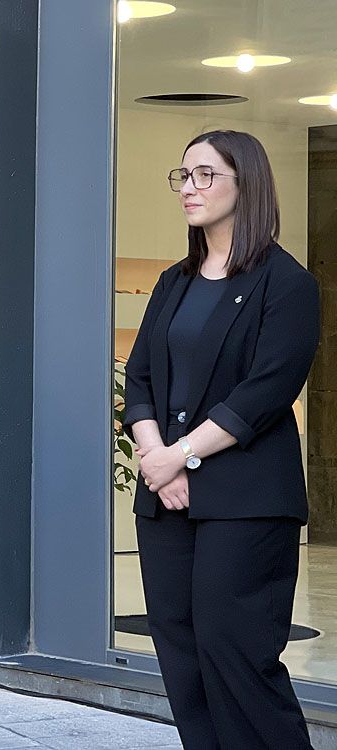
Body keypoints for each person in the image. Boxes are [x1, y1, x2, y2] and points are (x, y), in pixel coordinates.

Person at [124, 130, 318, 749]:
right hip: (166, 499)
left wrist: (179, 456)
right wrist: (157, 459)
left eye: (206, 175)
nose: (189, 188)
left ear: (248, 184)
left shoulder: (286, 284)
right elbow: (142, 375)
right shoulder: (174, 281)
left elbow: (263, 392)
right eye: (183, 175)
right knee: (181, 656)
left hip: (246, 499)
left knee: (237, 654)